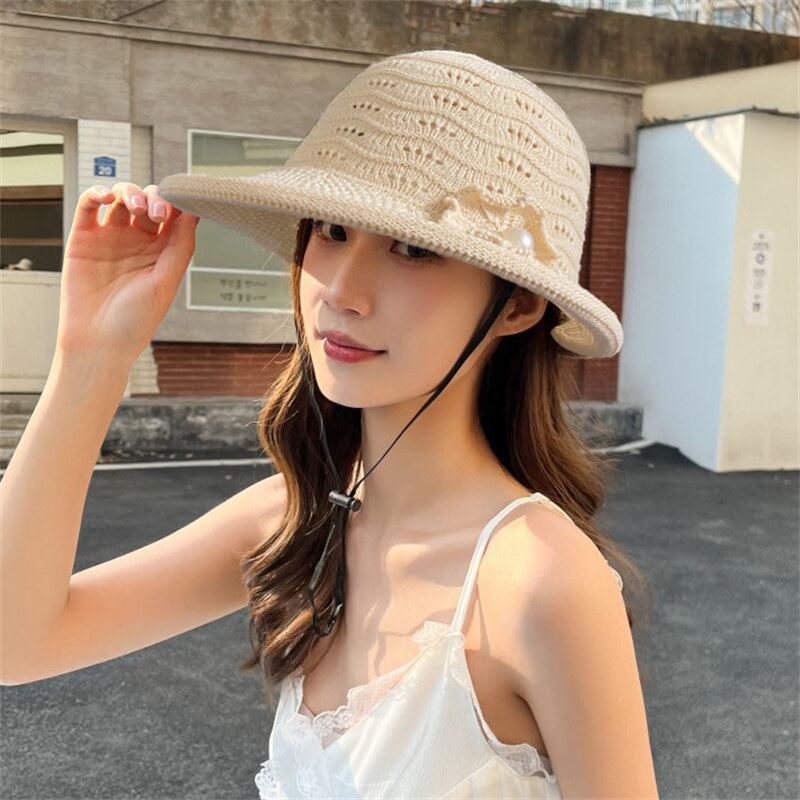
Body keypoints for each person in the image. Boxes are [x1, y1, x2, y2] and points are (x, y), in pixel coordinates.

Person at [1, 49, 658, 799]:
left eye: (414, 248)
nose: (342, 291)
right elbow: (17, 643)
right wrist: (90, 358)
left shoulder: (539, 580)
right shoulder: (297, 518)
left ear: (516, 305)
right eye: (332, 231)